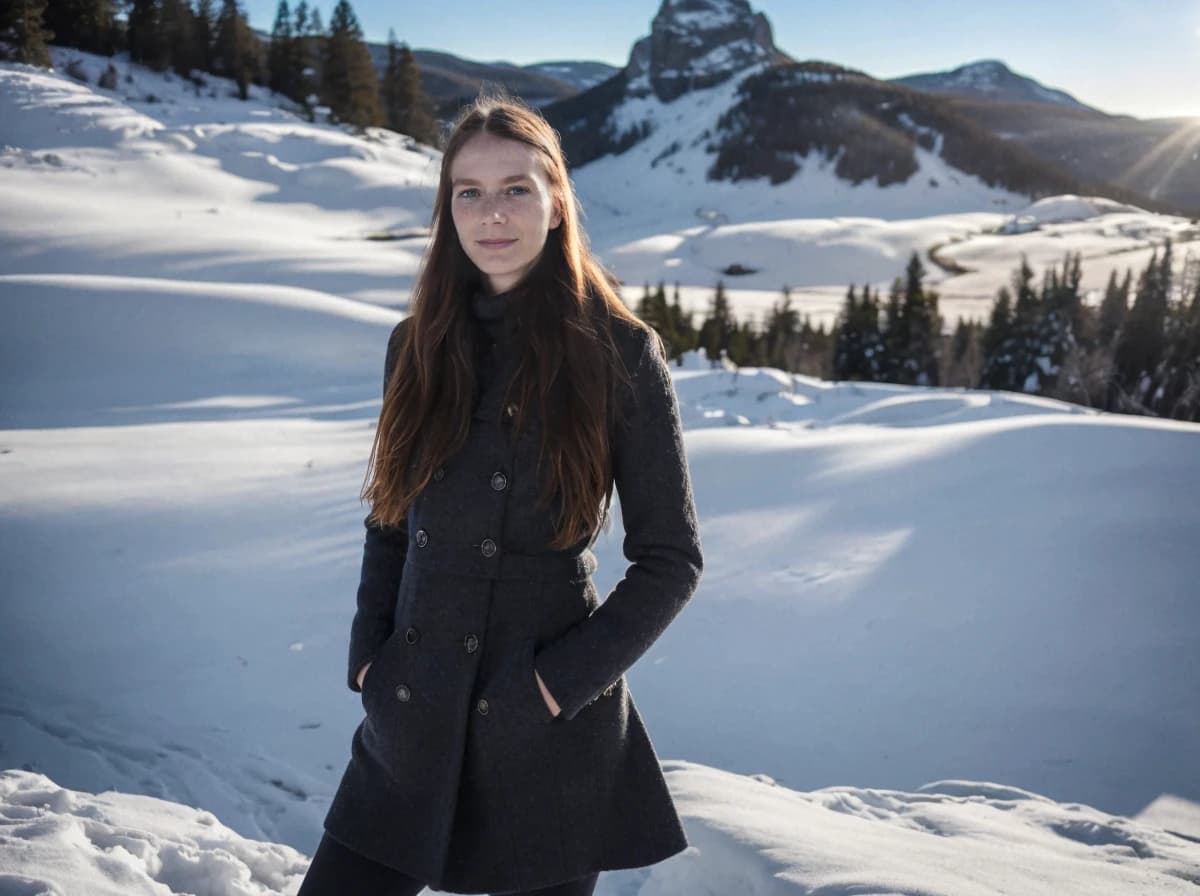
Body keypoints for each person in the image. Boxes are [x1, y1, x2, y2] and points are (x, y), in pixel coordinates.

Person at [299, 93, 704, 896]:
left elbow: (672, 560)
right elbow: (390, 513)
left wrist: (552, 690)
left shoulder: (620, 352)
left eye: (517, 188)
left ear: (557, 204)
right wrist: (366, 658)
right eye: (469, 192)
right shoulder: (415, 343)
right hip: (410, 716)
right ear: (447, 210)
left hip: (544, 738)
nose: (493, 213)